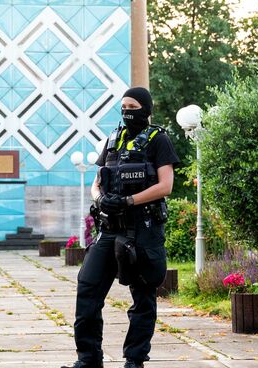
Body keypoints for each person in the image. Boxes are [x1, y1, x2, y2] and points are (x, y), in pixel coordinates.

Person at [63, 87, 180, 368]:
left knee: (143, 297)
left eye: (133, 106)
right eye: (123, 106)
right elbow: (96, 182)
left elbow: (166, 185)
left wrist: (129, 200)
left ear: (146, 110)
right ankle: (89, 358)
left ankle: (134, 360)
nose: (127, 111)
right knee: (88, 288)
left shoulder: (158, 140)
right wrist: (101, 198)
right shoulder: (112, 140)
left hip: (142, 229)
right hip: (110, 228)